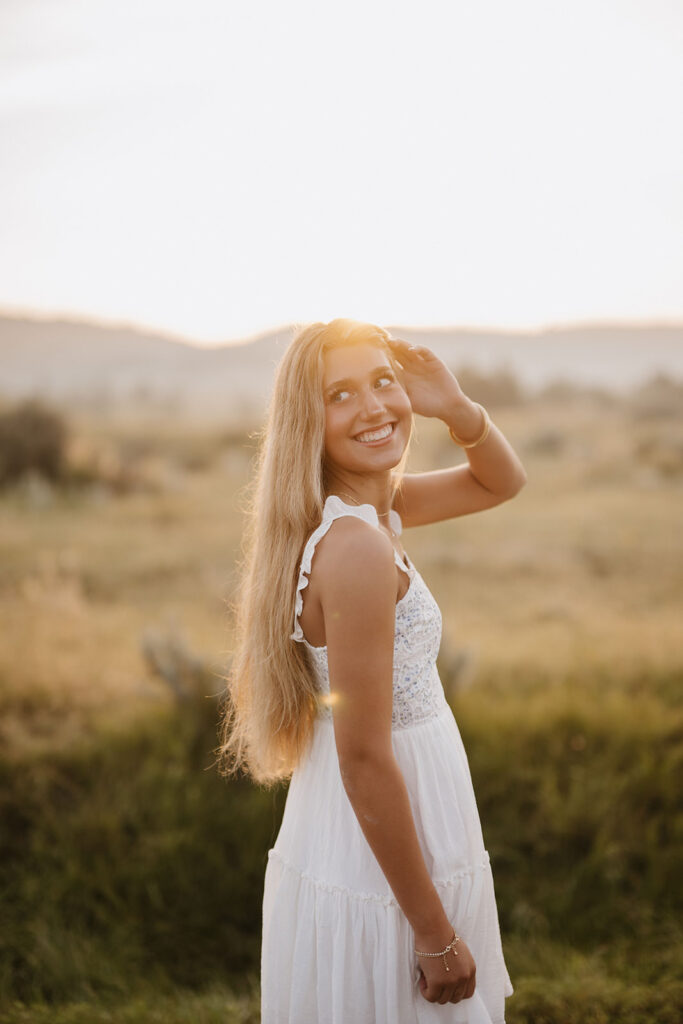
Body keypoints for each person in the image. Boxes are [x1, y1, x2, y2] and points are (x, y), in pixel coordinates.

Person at [219, 318, 527, 1023]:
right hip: (386, 835)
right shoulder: (354, 547)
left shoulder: (371, 507)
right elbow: (363, 756)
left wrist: (455, 408)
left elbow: (499, 482)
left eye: (382, 382)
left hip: (388, 811)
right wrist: (432, 931)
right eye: (340, 395)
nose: (374, 407)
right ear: (307, 420)